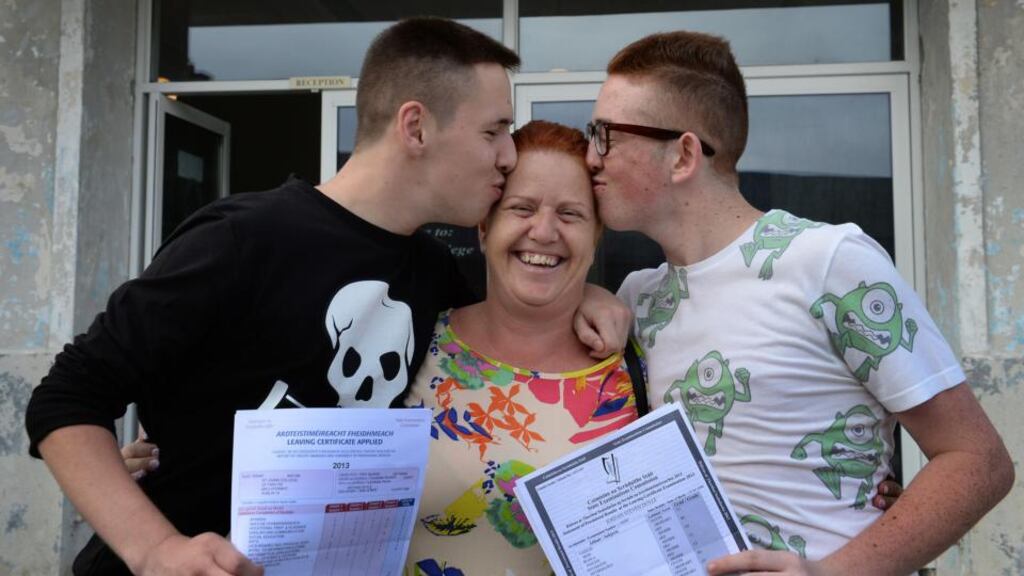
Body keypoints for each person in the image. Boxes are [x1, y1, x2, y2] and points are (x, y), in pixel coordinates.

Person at [25, 18, 630, 576]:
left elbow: (527, 291)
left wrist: (591, 296)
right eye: (494, 130)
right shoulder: (244, 239)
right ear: (415, 127)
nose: (508, 154)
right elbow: (66, 397)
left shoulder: (433, 271)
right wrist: (154, 547)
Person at [584, 31, 1014, 575]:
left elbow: (979, 460)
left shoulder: (829, 262)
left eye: (605, 135)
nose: (589, 156)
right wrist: (583, 295)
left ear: (683, 155)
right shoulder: (633, 300)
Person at [402, 120, 643, 575]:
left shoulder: (634, 375)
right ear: (483, 227)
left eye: (570, 214)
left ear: (595, 239)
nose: (544, 231)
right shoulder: (412, 344)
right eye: (522, 208)